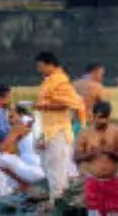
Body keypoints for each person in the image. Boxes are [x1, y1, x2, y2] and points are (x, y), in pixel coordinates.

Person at [35, 52, 86, 201]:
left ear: (50, 64)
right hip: (47, 131)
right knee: (48, 167)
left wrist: (43, 106)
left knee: (56, 169)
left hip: (58, 131)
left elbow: (70, 103)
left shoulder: (60, 81)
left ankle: (58, 201)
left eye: (41, 66)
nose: (40, 70)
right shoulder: (49, 80)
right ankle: (56, 199)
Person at [74, 100, 118, 216]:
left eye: (105, 118)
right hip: (93, 183)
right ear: (93, 116)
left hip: (112, 182)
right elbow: (76, 157)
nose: (103, 121)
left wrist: (112, 152)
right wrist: (92, 154)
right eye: (100, 118)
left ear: (109, 117)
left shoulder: (116, 132)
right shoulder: (84, 133)